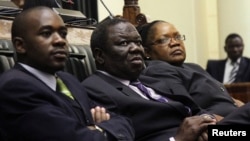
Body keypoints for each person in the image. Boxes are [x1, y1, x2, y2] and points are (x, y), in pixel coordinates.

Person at [0, 6, 134, 141]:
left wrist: (97, 129)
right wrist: (103, 129)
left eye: (63, 34)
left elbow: (124, 123)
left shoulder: (68, 80)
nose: (60, 40)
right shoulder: (15, 87)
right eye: (46, 33)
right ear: (20, 45)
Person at [81, 17, 221, 141]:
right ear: (99, 55)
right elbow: (121, 135)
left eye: (138, 42)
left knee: (240, 128)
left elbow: (194, 109)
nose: (136, 49)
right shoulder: (95, 89)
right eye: (124, 43)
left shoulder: (152, 78)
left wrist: (209, 121)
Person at [136, 20, 242, 116]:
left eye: (177, 37)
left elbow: (222, 96)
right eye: (164, 40)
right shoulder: (158, 70)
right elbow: (189, 110)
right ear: (147, 52)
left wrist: (241, 108)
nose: (175, 43)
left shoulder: (193, 66)